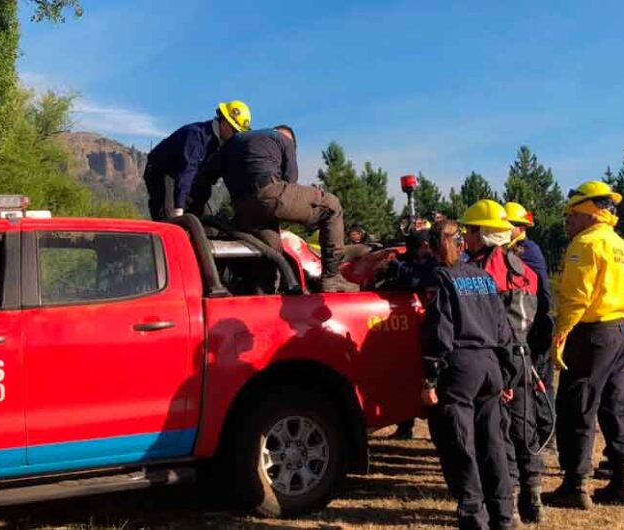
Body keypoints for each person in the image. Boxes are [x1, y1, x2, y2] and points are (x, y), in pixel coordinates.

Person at [544, 180, 624, 509]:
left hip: (590, 334)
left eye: (570, 214)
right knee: (618, 406)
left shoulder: (584, 245)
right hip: (620, 332)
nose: (568, 222)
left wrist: (561, 336)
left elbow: (575, 298)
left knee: (576, 407)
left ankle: (576, 486)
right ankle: (623, 481)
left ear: (587, 213)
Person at [422, 220, 517, 530]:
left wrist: (430, 378)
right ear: (462, 244)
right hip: (491, 365)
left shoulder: (442, 278)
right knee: (493, 443)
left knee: (462, 444)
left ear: (432, 247)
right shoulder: (484, 277)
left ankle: (474, 516)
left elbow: (440, 330)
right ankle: (503, 515)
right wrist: (508, 374)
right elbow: (503, 326)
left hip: (462, 367)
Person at [190, 125, 358, 293]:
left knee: (269, 253)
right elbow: (290, 182)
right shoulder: (285, 141)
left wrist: (195, 213)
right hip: (269, 192)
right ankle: (332, 277)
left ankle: (264, 294)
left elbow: (204, 178)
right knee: (331, 206)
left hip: (242, 207)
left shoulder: (233, 142)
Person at [462, 199, 545, 524]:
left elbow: (481, 324)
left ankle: (505, 504)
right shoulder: (523, 269)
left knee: (499, 434)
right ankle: (533, 496)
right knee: (526, 429)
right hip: (523, 357)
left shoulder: (479, 274)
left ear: (482, 233)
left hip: (498, 361)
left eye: (469, 231)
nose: (465, 237)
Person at [143, 100, 251, 220]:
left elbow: (217, 176)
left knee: (205, 220)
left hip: (187, 178)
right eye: (235, 131)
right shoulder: (196, 136)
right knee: (170, 219)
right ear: (224, 122)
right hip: (162, 172)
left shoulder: (223, 145)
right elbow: (186, 171)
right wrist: (179, 209)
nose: (236, 136)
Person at [504, 202, 555, 449]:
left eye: (508, 224)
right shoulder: (515, 248)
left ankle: (546, 436)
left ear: (519, 227)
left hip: (536, 327)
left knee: (538, 384)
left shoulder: (526, 250)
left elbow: (536, 293)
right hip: (530, 325)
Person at [380, 228, 439, 440]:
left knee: (431, 380)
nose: (420, 251)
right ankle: (404, 426)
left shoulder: (435, 263)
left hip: (431, 329)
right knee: (406, 377)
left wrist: (395, 265)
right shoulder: (409, 258)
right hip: (407, 330)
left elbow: (415, 280)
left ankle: (437, 432)